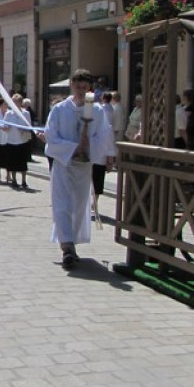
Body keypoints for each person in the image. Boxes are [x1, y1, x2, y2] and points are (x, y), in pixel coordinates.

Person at [44, 69, 115, 270]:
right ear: (72, 86)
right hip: (63, 163)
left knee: (77, 205)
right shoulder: (59, 110)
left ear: (90, 88)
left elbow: (104, 137)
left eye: (85, 87)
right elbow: (51, 135)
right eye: (78, 87)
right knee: (62, 203)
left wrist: (88, 147)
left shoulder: (98, 111)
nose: (81, 91)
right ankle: (67, 247)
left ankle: (72, 242)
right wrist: (72, 148)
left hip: (83, 166)